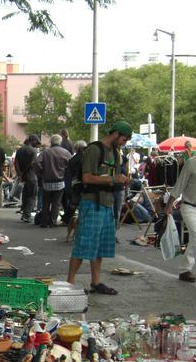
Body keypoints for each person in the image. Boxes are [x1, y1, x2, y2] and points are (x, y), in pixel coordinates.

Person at [67, 120, 132, 294]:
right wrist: (112, 179)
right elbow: (87, 178)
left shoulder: (116, 153)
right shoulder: (94, 150)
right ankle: (70, 284)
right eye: (124, 139)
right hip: (92, 202)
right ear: (116, 134)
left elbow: (115, 175)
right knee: (83, 243)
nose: (124, 143)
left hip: (107, 203)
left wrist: (123, 179)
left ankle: (96, 282)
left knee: (101, 245)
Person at [164, 137, 196, 285]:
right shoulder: (192, 163)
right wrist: (169, 205)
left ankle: (184, 269)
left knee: (195, 240)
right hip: (189, 207)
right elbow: (180, 185)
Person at [36, 134, 71, 227]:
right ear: (60, 142)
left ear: (51, 142)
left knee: (46, 202)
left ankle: (44, 222)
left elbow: (36, 163)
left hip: (46, 181)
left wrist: (41, 173)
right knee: (56, 203)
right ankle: (53, 222)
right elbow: (70, 165)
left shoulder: (45, 152)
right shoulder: (66, 152)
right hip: (60, 182)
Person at [15, 134, 40, 222]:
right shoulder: (33, 151)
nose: (37, 145)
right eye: (37, 142)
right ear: (32, 140)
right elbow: (32, 164)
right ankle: (27, 215)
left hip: (23, 177)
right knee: (32, 196)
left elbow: (16, 163)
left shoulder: (20, 150)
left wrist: (19, 174)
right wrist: (24, 172)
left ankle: (24, 213)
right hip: (31, 176)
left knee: (25, 195)